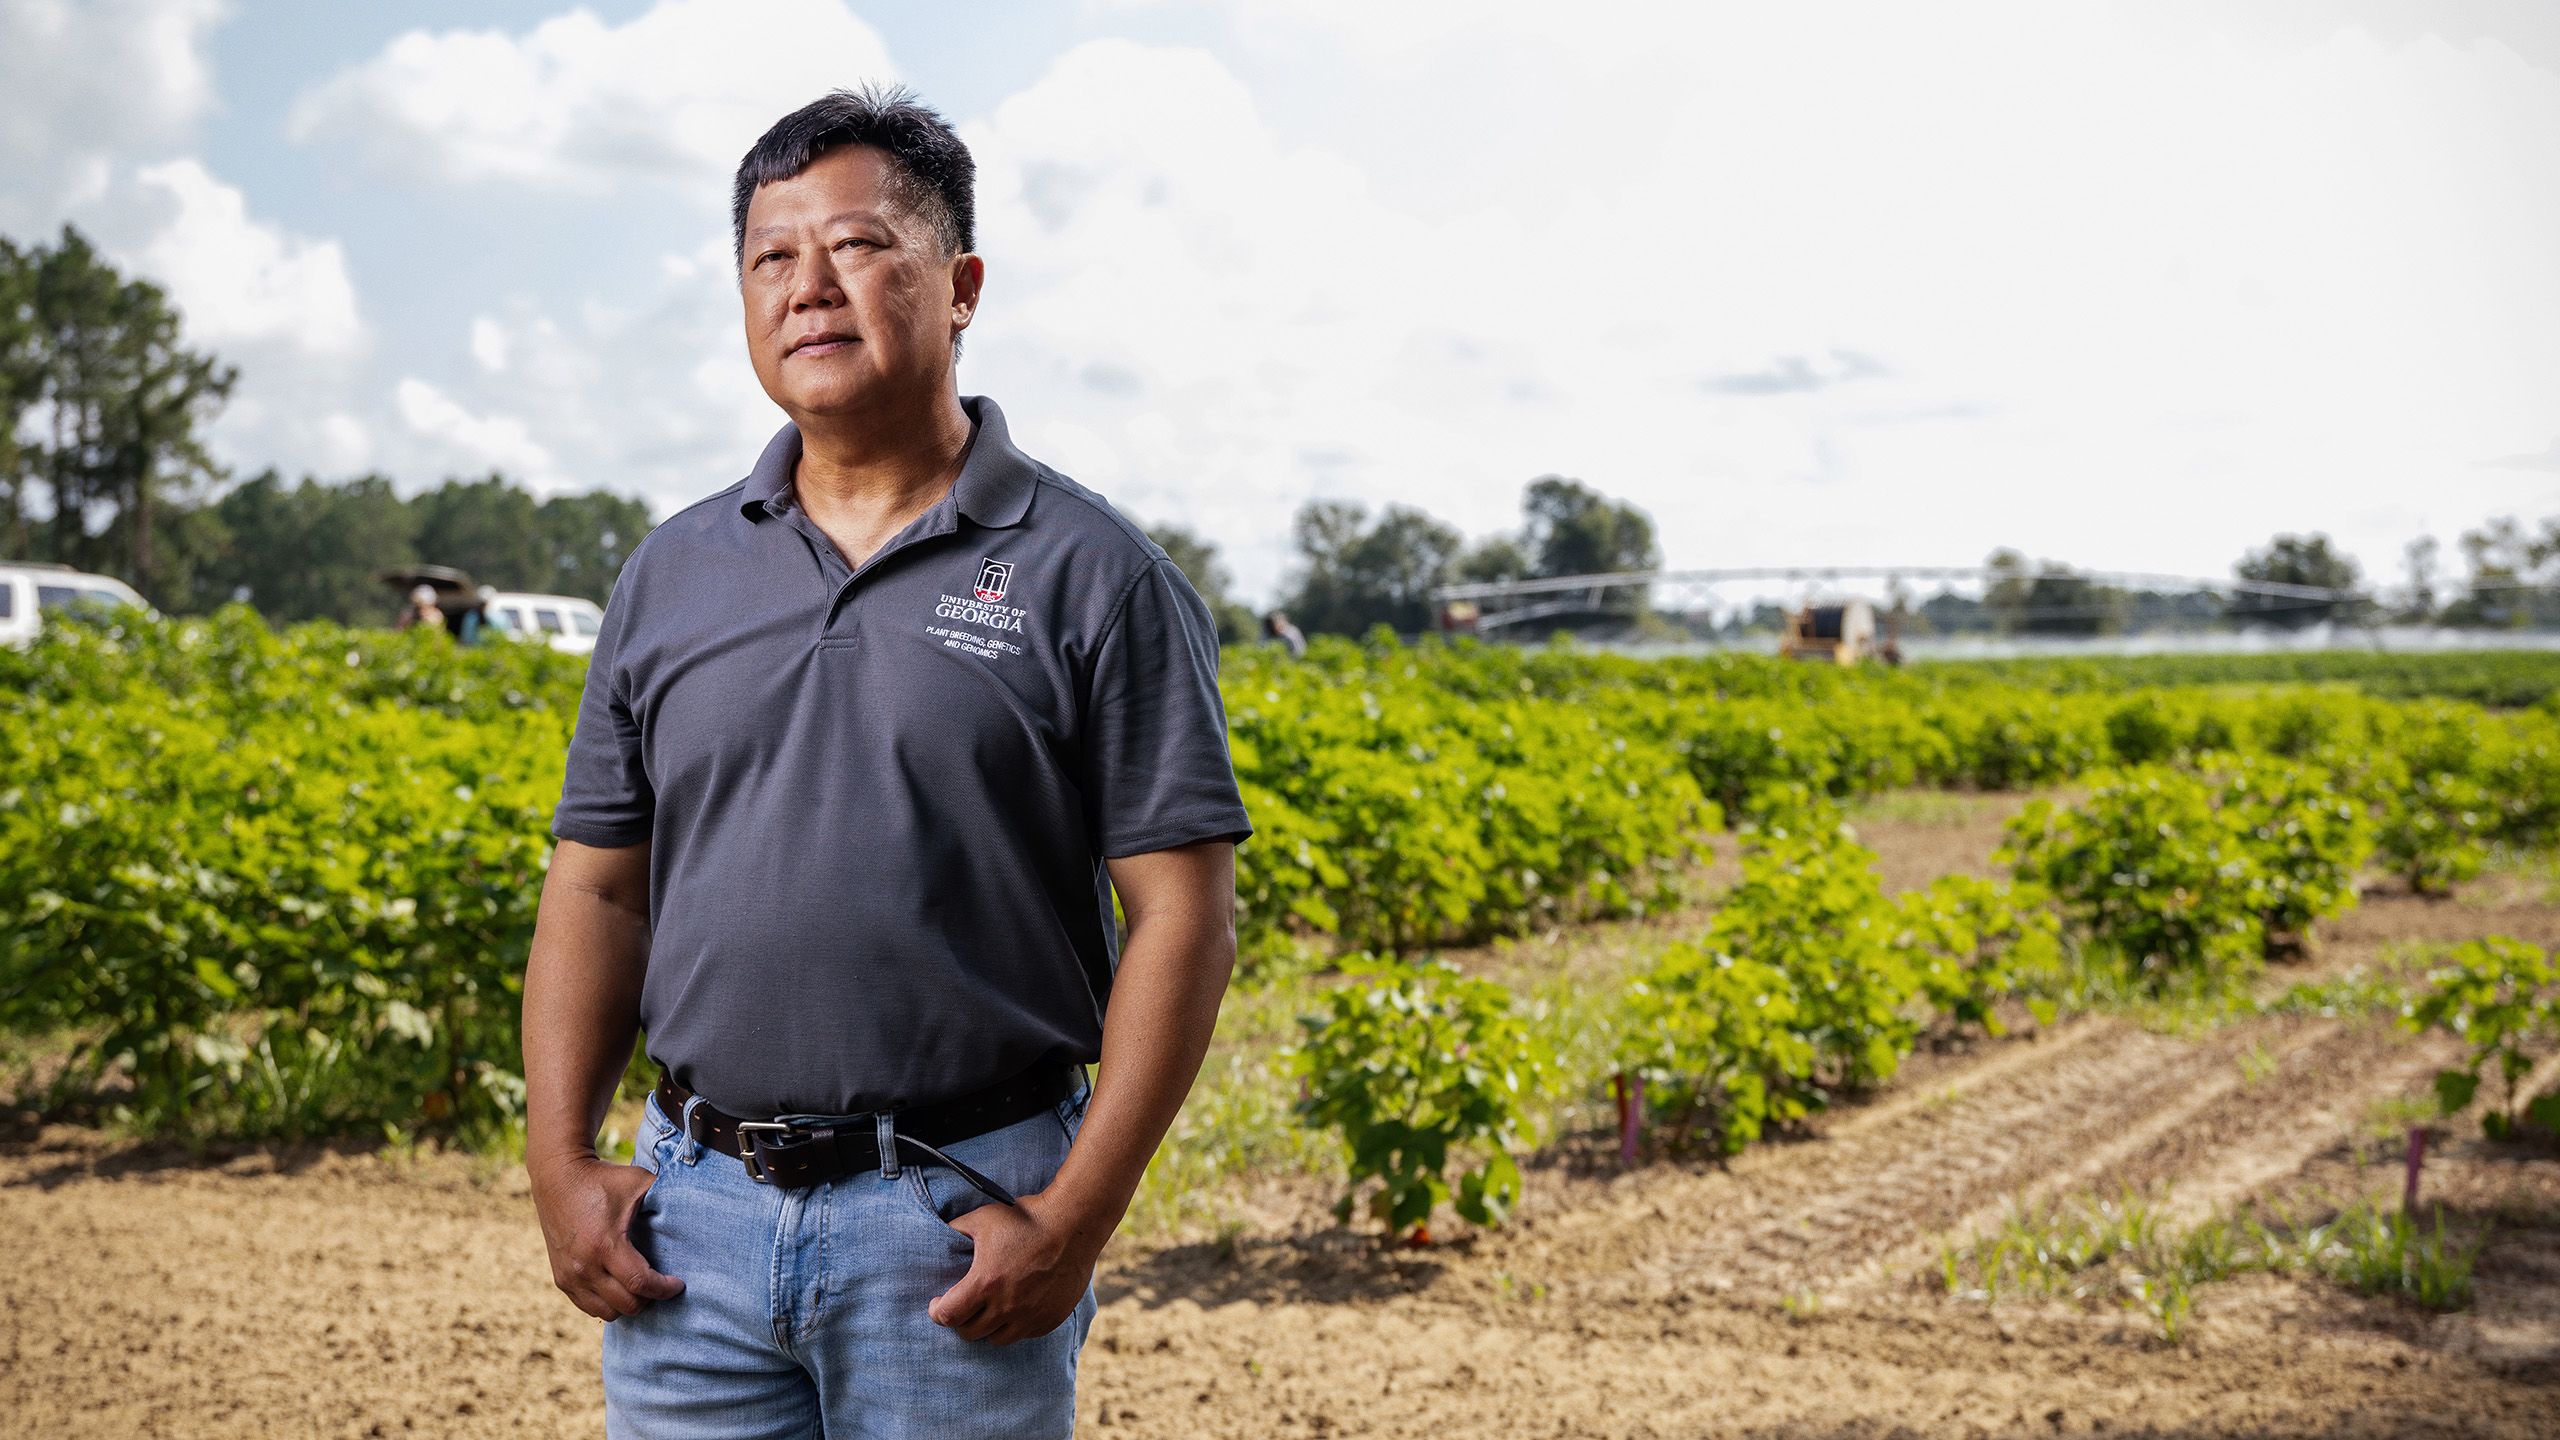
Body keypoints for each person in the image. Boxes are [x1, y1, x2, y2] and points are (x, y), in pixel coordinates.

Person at [522, 83, 1252, 1440]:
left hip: (958, 1220)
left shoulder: (1094, 575)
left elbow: (1185, 921)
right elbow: (599, 888)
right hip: (694, 1227)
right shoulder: (673, 571)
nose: (809, 288)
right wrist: (561, 1164)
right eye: (770, 258)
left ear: (961, 284)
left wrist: (1075, 1221)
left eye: (858, 246)